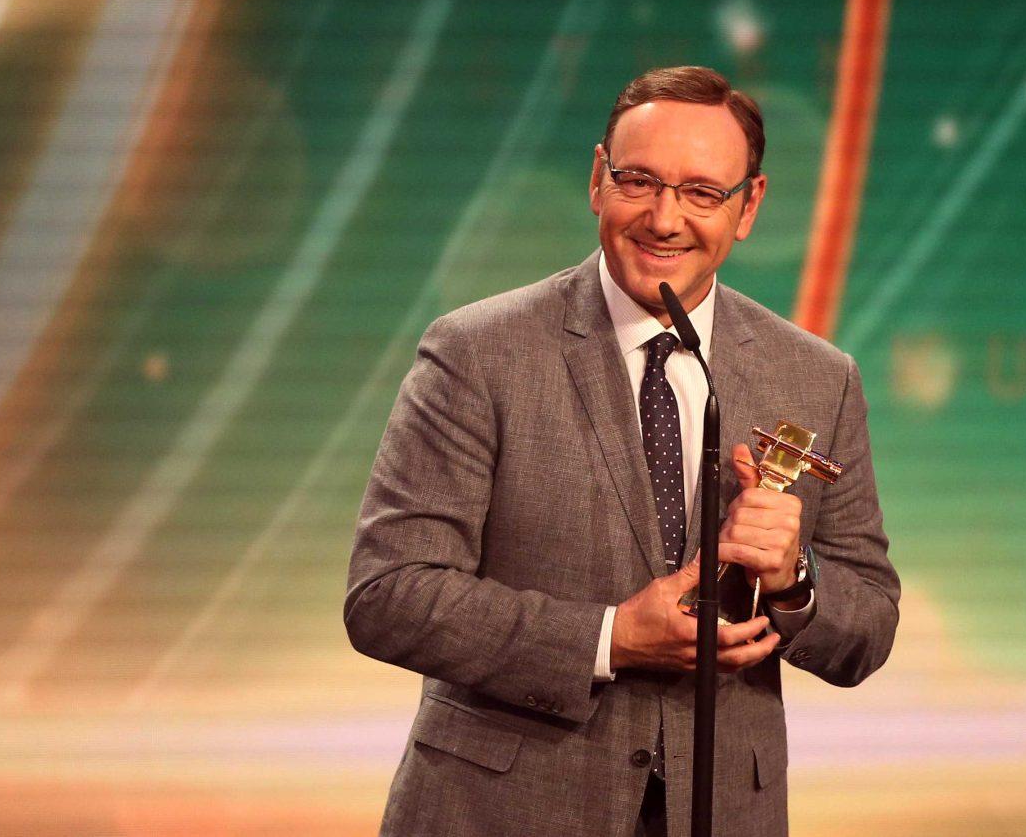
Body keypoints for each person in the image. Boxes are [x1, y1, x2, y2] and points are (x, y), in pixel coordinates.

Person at [344, 66, 899, 837]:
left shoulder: (816, 377)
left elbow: (868, 625)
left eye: (703, 193)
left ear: (750, 206)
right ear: (597, 179)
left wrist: (792, 576)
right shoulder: (478, 354)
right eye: (639, 181)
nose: (665, 219)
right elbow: (389, 595)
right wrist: (608, 637)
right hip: (503, 811)